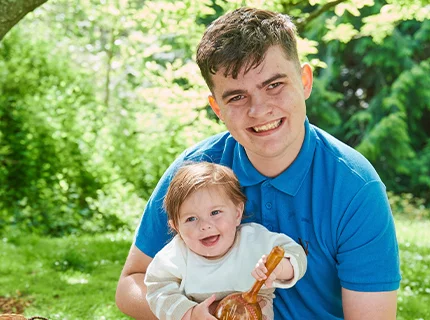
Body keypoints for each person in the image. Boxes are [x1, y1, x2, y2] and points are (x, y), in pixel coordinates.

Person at [116, 7, 401, 320]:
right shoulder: (193, 172)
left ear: (305, 81)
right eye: (237, 97)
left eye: (274, 85)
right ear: (217, 108)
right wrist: (186, 316)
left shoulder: (354, 187)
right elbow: (131, 286)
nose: (259, 109)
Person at [144, 162, 307, 320]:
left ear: (237, 214)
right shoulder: (176, 255)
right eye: (191, 218)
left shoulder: (254, 240)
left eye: (215, 212)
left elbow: (296, 253)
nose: (205, 226)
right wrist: (189, 313)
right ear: (177, 227)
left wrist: (280, 268)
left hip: (254, 309)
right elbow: (157, 289)